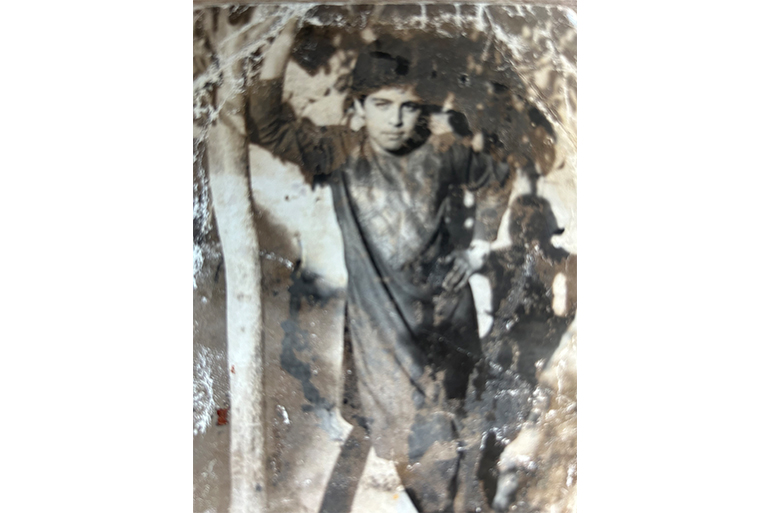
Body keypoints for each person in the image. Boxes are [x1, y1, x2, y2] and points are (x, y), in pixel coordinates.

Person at [249, 18, 510, 513]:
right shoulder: (343, 151)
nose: (395, 120)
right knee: (407, 436)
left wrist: (477, 246)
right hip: (382, 328)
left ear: (422, 109)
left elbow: (496, 177)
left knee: (446, 436)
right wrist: (285, 35)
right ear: (359, 108)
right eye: (382, 105)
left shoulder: (442, 150)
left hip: (444, 318)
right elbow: (267, 122)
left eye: (408, 107)